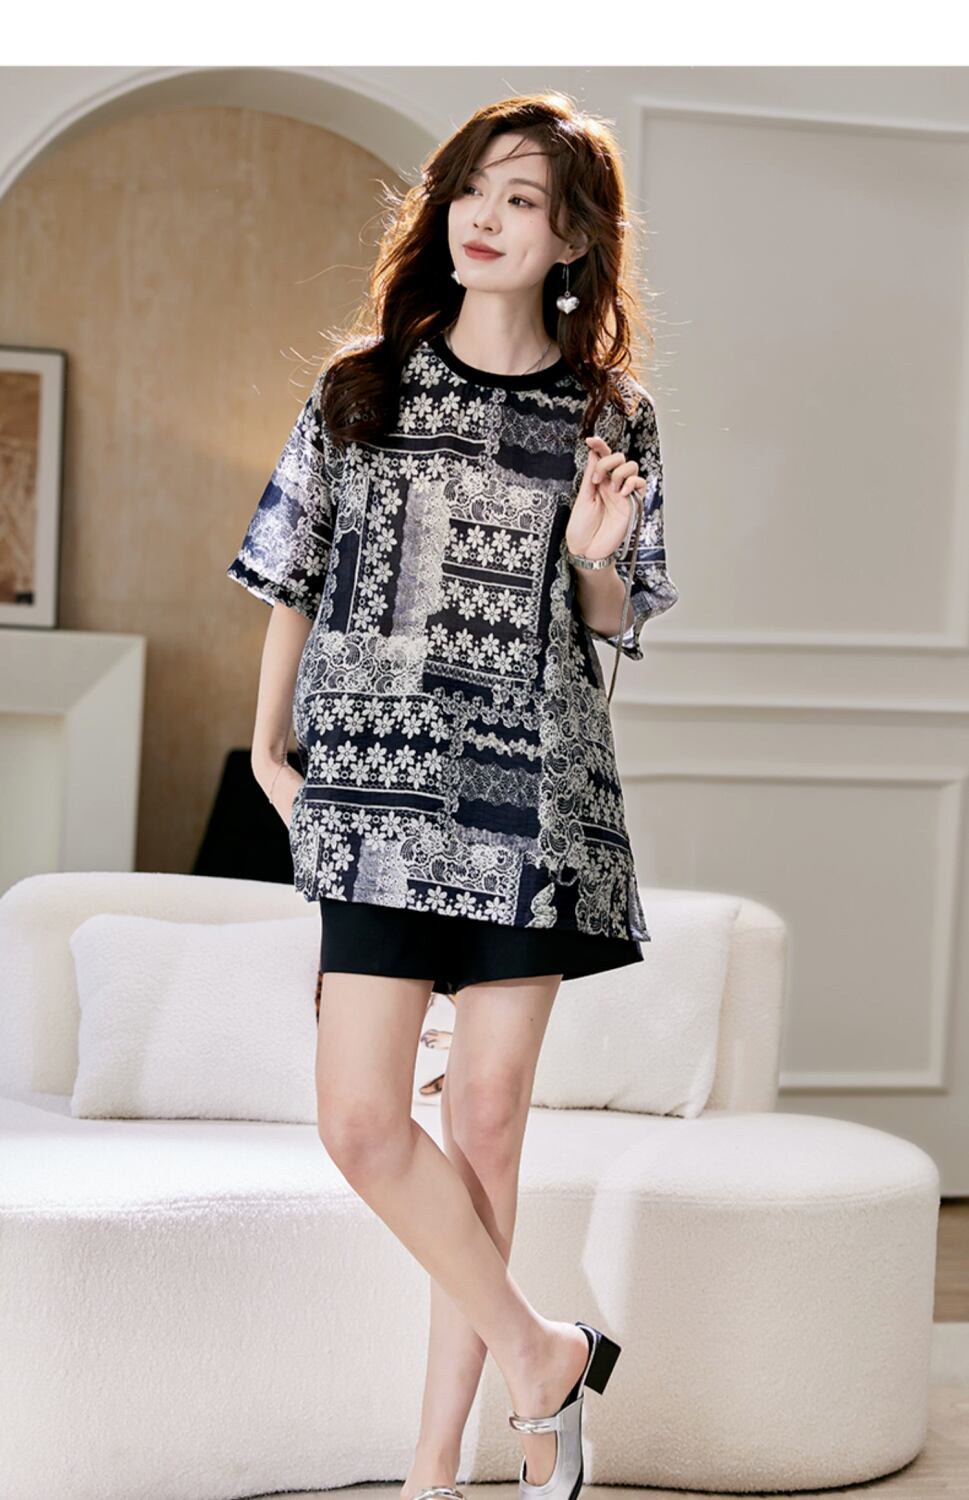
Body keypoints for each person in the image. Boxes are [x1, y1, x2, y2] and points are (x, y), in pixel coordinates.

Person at [227, 90, 678, 1500]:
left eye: (523, 199)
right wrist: (268, 751)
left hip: (529, 801)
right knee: (363, 1121)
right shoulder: (361, 389)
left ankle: (435, 1471)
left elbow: (611, 622)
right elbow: (293, 571)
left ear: (572, 240)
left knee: (484, 1124)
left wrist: (594, 552)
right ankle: (543, 1355)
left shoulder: (610, 414)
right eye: (472, 190)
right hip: (373, 793)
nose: (485, 218)